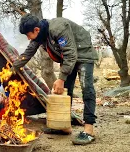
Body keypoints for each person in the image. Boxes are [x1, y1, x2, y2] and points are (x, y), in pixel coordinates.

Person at [13, 14, 98, 145]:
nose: (28, 38)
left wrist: (61, 78)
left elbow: (71, 54)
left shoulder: (58, 28)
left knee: (87, 89)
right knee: (65, 91)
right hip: (69, 58)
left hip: (83, 54)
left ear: (36, 29)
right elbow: (27, 53)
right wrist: (12, 69)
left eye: (28, 34)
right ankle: (64, 126)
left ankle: (89, 130)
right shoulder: (40, 36)